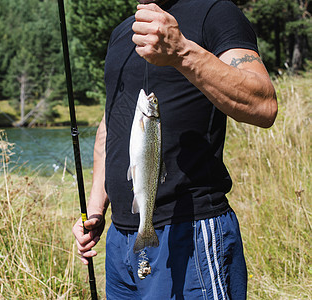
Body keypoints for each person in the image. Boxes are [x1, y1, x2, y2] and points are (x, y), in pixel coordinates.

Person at [72, 0, 278, 298]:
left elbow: (264, 105)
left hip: (190, 232)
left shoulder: (215, 12)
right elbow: (114, 124)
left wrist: (182, 51)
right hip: (120, 240)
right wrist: (94, 209)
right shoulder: (122, 32)